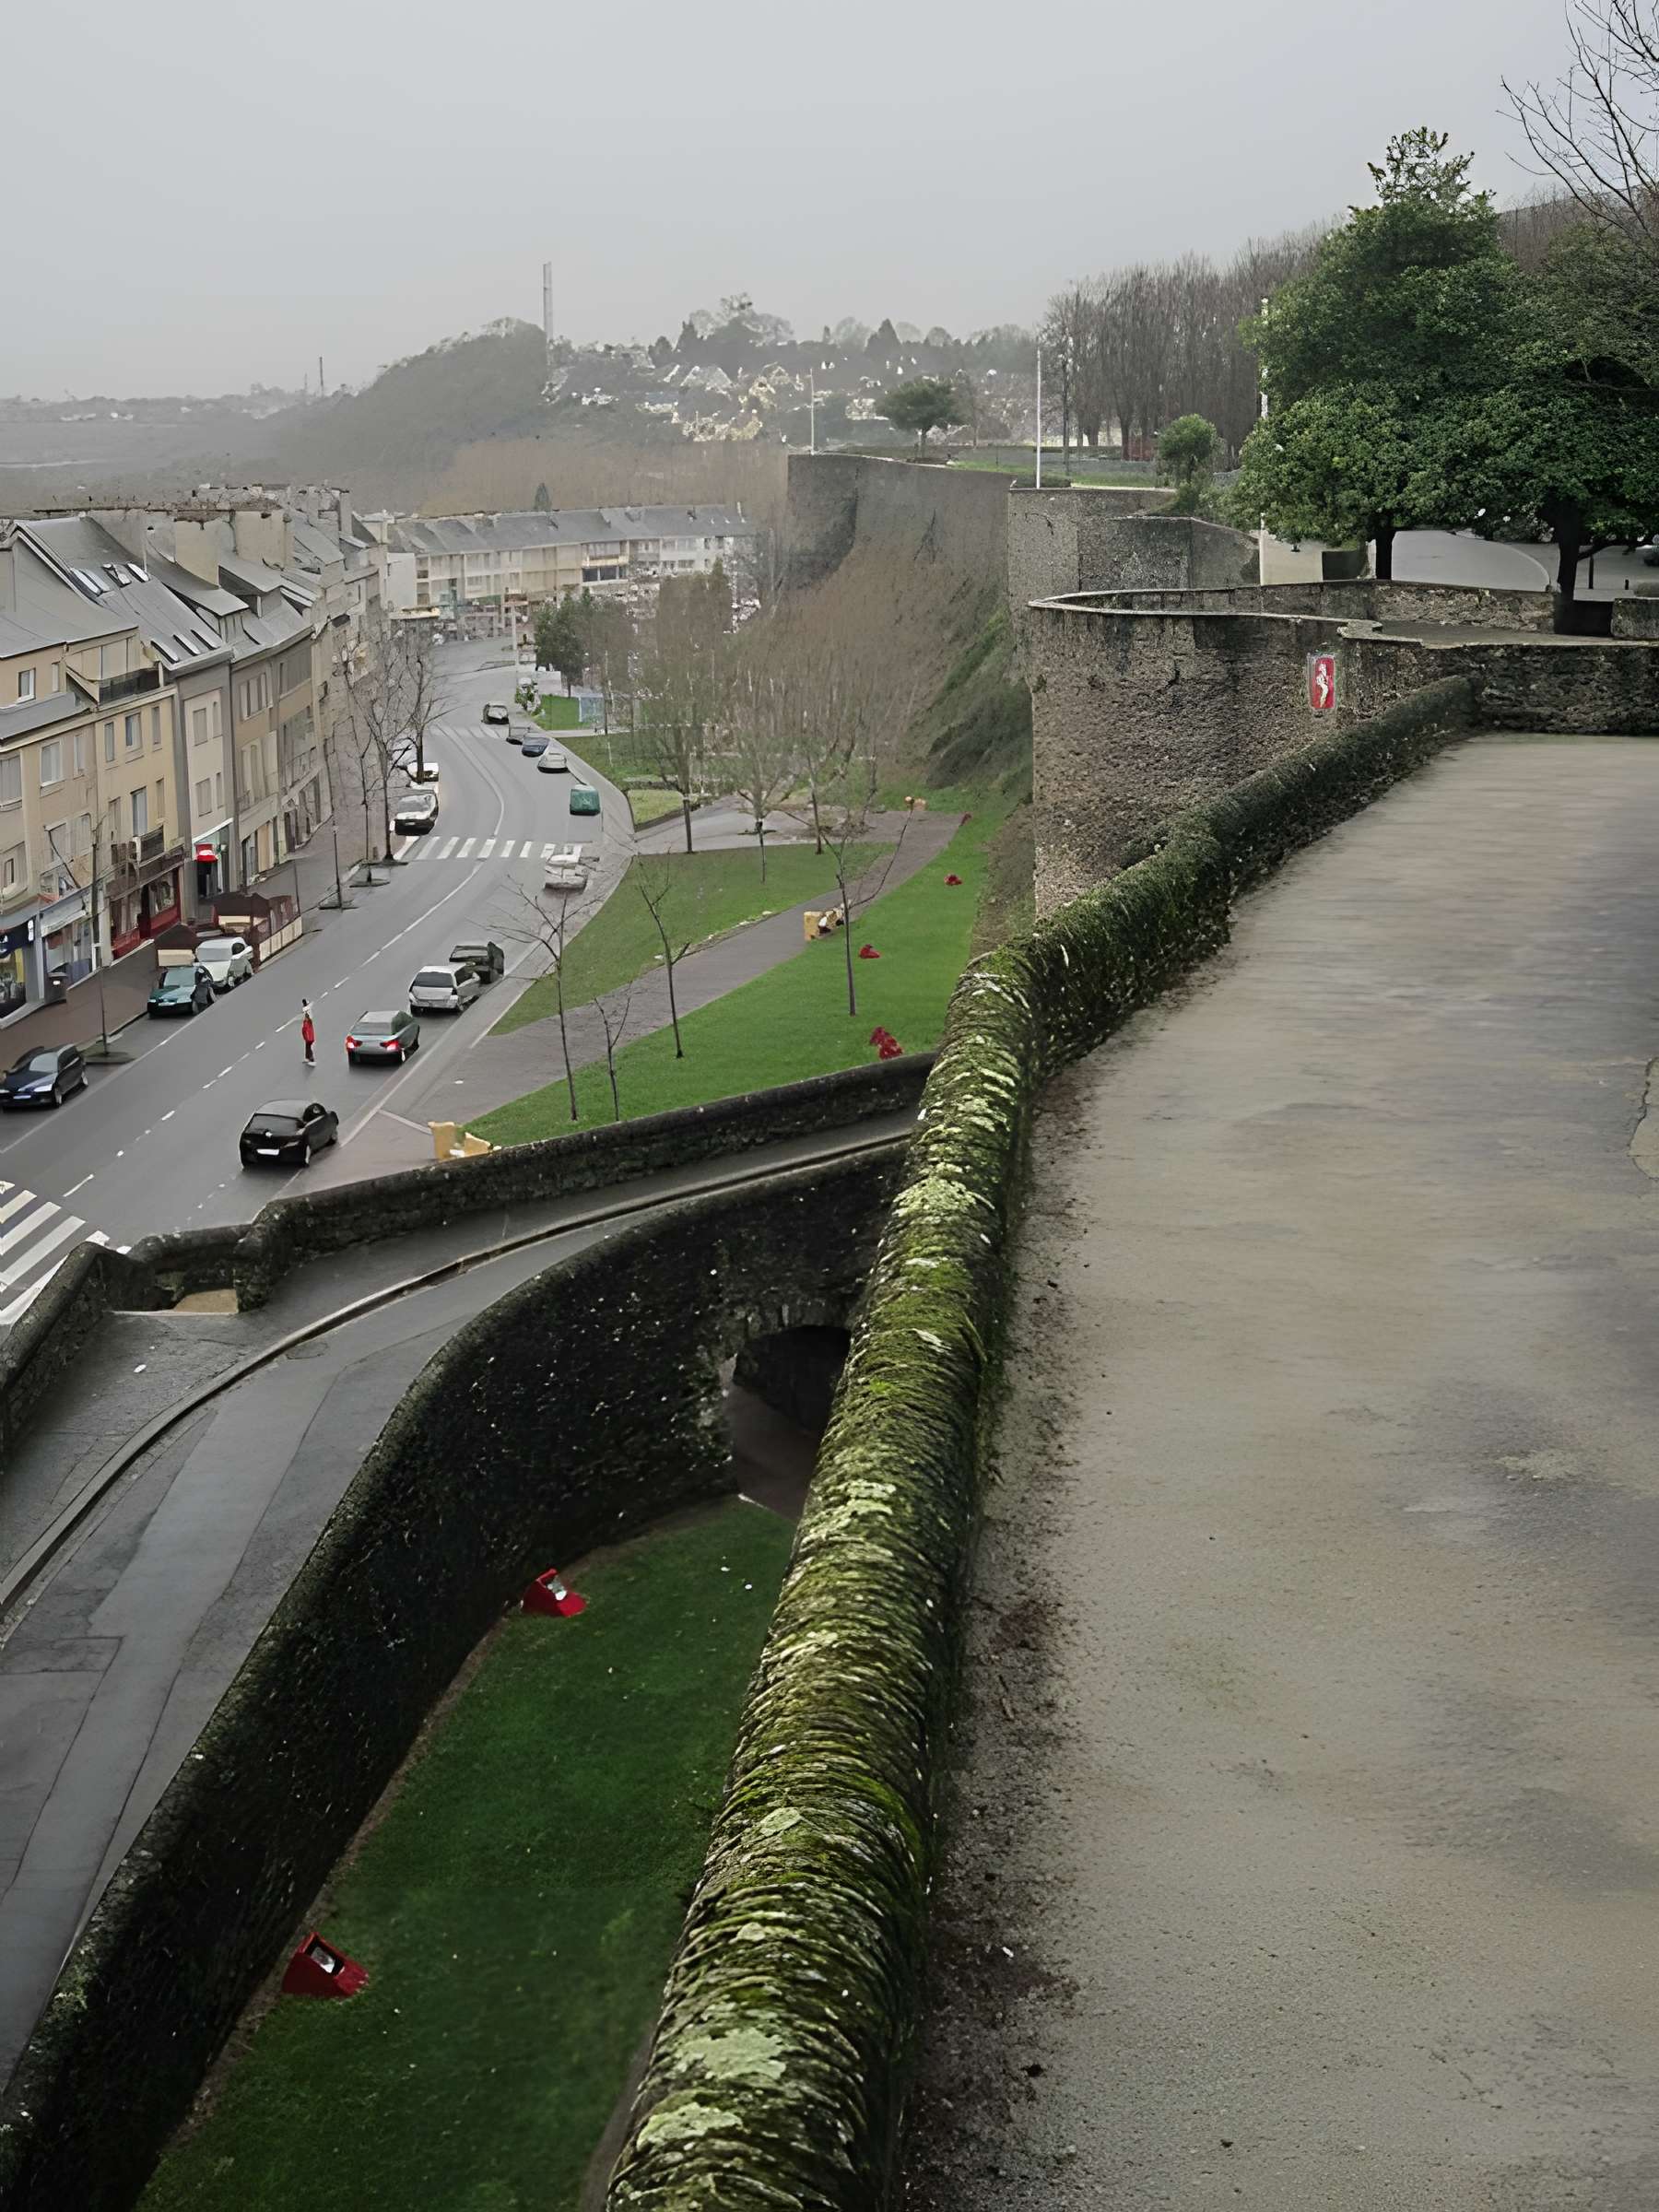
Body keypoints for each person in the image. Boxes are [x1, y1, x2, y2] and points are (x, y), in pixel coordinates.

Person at [300, 1000, 316, 1065]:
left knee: (308, 1047)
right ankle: (307, 1058)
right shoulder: (306, 1021)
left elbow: (304, 1030)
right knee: (307, 1047)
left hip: (309, 1037)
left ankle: (312, 1059)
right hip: (308, 1037)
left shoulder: (308, 1022)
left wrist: (306, 1037)